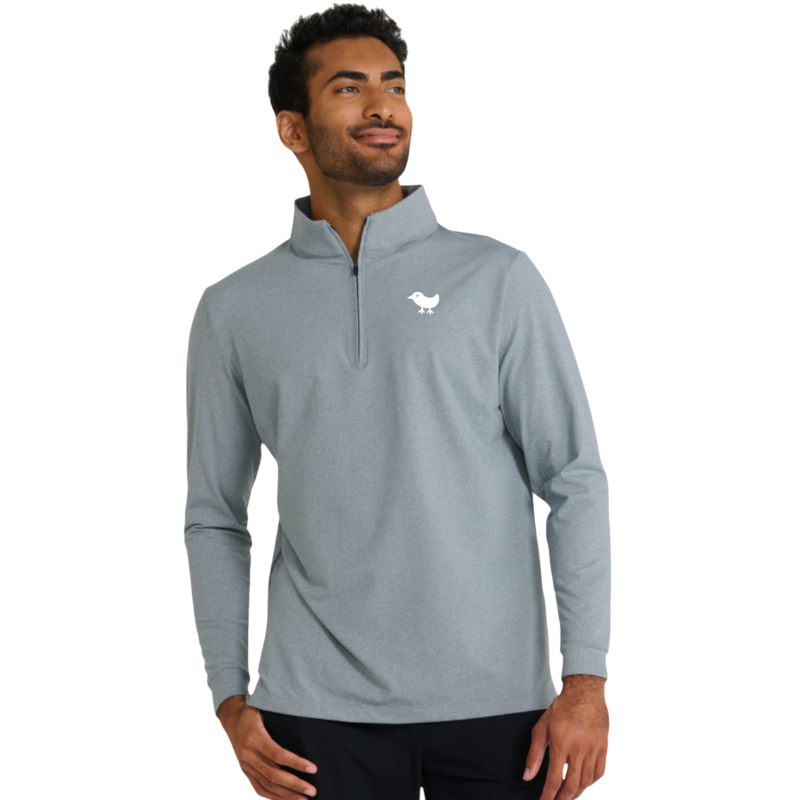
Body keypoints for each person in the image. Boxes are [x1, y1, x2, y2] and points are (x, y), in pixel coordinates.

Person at [184, 4, 611, 799]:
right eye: (349, 88)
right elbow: (214, 514)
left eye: (395, 86)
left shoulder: (498, 277)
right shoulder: (234, 308)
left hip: (502, 710)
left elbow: (573, 479)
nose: (384, 106)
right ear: (292, 130)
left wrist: (586, 679)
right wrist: (228, 698)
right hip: (310, 715)